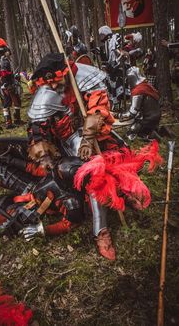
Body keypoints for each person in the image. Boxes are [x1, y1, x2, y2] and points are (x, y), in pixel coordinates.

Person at [26, 52, 125, 260]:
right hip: (65, 145)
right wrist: (45, 156)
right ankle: (101, 231)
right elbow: (37, 130)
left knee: (115, 157)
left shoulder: (85, 78)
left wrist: (89, 138)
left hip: (93, 135)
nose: (53, 87)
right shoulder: (47, 93)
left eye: (56, 81)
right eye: (49, 84)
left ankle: (120, 201)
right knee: (88, 172)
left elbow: (98, 109)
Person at [118, 66, 161, 141]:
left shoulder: (138, 91)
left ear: (131, 79)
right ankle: (151, 132)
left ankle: (149, 135)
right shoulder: (147, 85)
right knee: (138, 125)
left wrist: (119, 115)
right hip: (156, 116)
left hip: (147, 119)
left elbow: (132, 112)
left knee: (130, 133)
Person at [0, 38, 22, 129]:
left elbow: (5, 74)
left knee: (8, 103)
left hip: (5, 84)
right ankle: (14, 121)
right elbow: (5, 74)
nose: (10, 52)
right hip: (8, 85)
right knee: (15, 101)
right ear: (5, 52)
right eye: (8, 51)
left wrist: (13, 76)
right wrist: (10, 82)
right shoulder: (5, 61)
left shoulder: (3, 60)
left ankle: (10, 122)